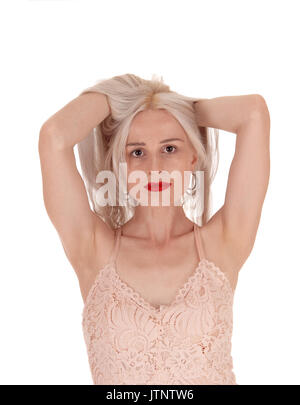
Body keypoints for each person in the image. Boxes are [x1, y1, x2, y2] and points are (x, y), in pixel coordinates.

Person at [38, 73, 270, 385]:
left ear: (193, 157)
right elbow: (54, 136)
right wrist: (127, 98)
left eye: (170, 148)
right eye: (137, 152)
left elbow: (253, 113)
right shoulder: (94, 247)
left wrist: (169, 106)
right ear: (120, 167)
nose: (154, 167)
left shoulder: (223, 242)